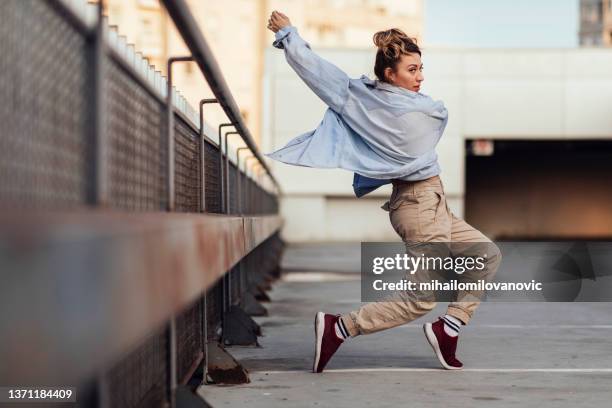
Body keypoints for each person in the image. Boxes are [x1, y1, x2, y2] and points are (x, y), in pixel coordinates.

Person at [266, 11, 502, 372]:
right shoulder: (359, 99)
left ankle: (449, 327)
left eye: (421, 68)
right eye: (411, 70)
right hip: (418, 204)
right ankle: (340, 327)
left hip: (433, 202)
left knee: (486, 254)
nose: (420, 77)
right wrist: (288, 35)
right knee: (422, 298)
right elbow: (316, 70)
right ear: (389, 74)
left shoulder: (406, 104)